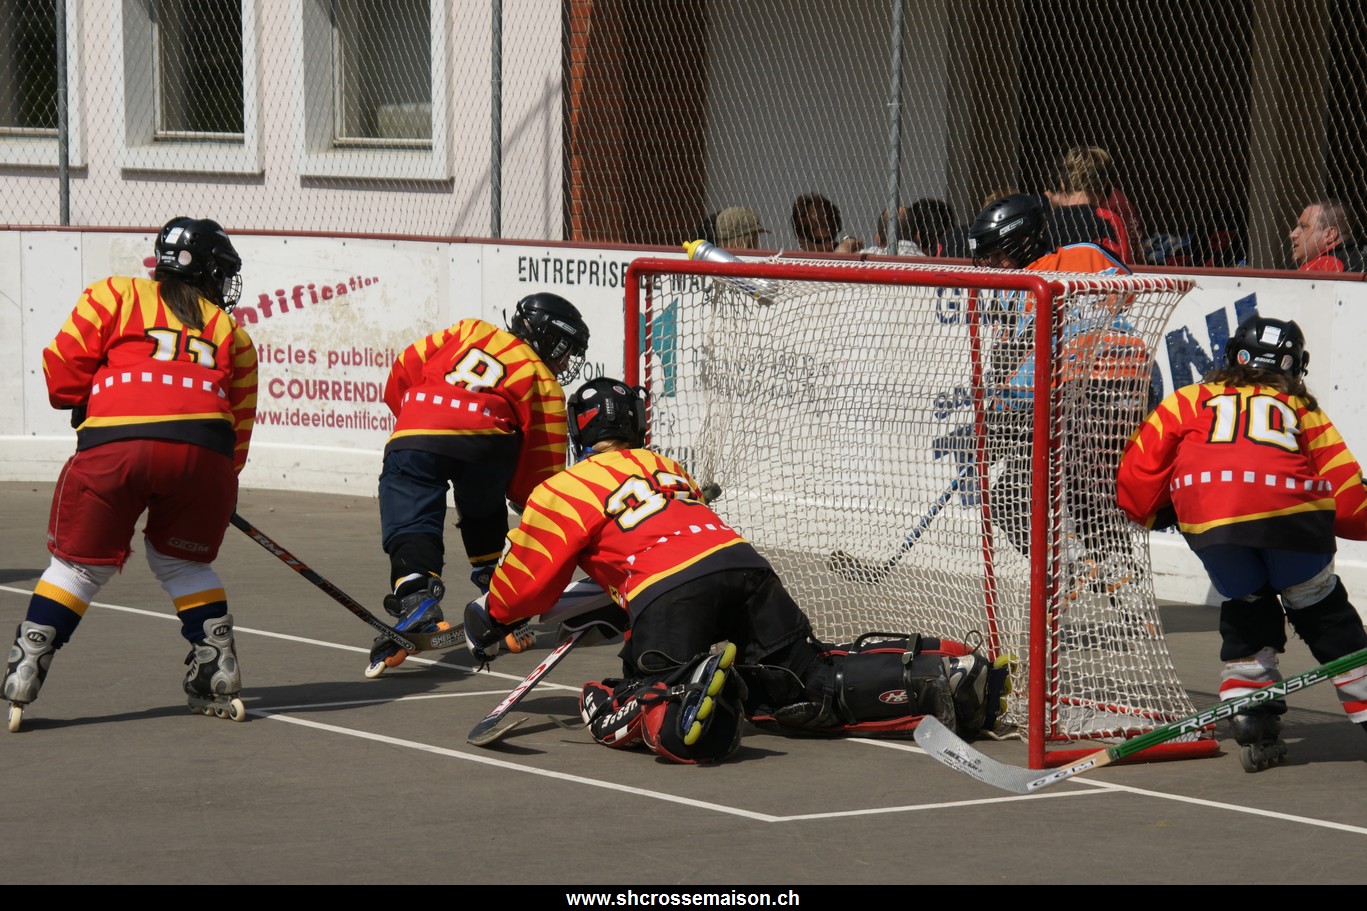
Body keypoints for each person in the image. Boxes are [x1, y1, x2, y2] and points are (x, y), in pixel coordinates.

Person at [463, 378, 1012, 764]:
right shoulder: (667, 467)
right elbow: (655, 545)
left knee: (634, 695)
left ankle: (680, 694)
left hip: (669, 591)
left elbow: (525, 593)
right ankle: (941, 674)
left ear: (579, 433)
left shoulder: (562, 488)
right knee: (806, 684)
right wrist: (611, 602)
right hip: (745, 567)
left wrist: (485, 619)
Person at [3, 217, 257, 731]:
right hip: (205, 459)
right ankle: (218, 667)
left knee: (76, 568)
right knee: (183, 564)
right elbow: (238, 432)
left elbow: (60, 377)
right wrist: (213, 491)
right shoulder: (234, 334)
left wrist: (89, 397)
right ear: (207, 271)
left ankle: (27, 666)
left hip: (115, 446)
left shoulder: (112, 295)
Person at [1116, 315, 1367, 771]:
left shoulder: (1187, 400)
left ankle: (1251, 712)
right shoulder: (1301, 406)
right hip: (1292, 521)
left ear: (1233, 356)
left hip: (1213, 526)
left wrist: (1157, 513)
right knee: (1320, 606)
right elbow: (1349, 499)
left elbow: (1136, 479)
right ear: (1295, 366)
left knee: (1248, 600)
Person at [365, 292, 591, 678]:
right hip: (488, 440)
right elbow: (540, 481)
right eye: (564, 350)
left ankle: (416, 596)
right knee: (484, 508)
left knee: (409, 504)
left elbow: (403, 368)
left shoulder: (467, 329)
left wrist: (420, 417)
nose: (566, 361)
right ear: (548, 338)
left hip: (420, 425)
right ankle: (499, 599)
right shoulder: (543, 380)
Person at [967, 192, 1144, 570]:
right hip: (1133, 388)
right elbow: (1128, 289)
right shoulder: (1087, 253)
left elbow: (1024, 376)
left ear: (1021, 241)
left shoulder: (1025, 290)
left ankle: (1072, 570)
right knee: (1085, 493)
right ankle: (1115, 571)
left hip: (1085, 396)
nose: (994, 264)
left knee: (1011, 500)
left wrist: (995, 423)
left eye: (998, 254)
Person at [1043, 146, 1133, 263]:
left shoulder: (1049, 219)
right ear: (1103, 186)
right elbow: (1121, 266)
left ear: (1062, 184)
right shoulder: (1108, 220)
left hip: (1055, 274)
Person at [1289, 199, 1363, 272]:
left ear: (1330, 235)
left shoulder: (1326, 264)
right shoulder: (1359, 260)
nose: (1292, 235)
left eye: (1303, 227)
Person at [792, 193, 862, 254]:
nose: (828, 246)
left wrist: (848, 244)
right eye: (820, 240)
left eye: (831, 238)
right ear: (801, 238)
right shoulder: (794, 262)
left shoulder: (838, 250)